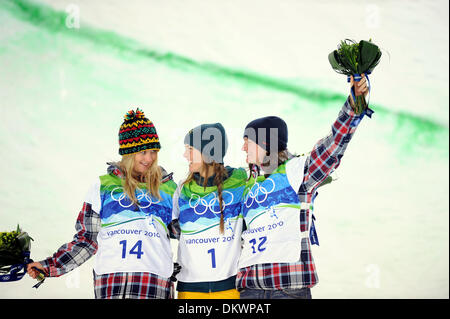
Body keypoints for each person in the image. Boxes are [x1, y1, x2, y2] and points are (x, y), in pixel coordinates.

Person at [237, 75, 370, 299]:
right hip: (250, 288)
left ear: (265, 143)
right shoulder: (248, 184)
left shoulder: (298, 171)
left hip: (287, 286)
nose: (242, 148)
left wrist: (354, 103)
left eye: (247, 141)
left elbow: (333, 146)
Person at [27, 108, 178, 299]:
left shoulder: (168, 188)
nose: (149, 159)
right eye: (143, 152)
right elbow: (87, 240)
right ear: (129, 153)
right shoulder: (102, 187)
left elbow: (188, 231)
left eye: (154, 151)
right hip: (111, 286)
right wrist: (48, 266)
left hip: (153, 286)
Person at [170, 123, 247, 299]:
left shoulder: (240, 180)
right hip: (190, 287)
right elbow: (171, 229)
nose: (185, 155)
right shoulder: (182, 189)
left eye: (190, 149)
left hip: (231, 286)